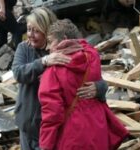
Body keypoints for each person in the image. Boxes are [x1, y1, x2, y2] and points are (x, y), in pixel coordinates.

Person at [12, 7, 108, 150]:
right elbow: (18, 72)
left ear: (47, 30)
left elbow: (87, 76)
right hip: (27, 122)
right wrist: (43, 61)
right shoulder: (24, 48)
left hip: (52, 128)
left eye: (36, 30)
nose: (30, 35)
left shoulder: (67, 52)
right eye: (28, 29)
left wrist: (100, 88)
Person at [38, 19, 129, 150]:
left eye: (51, 42)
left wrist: (45, 145)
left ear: (63, 39)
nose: (47, 47)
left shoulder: (53, 71)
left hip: (73, 136)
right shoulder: (92, 57)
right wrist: (101, 87)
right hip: (99, 129)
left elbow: (52, 113)